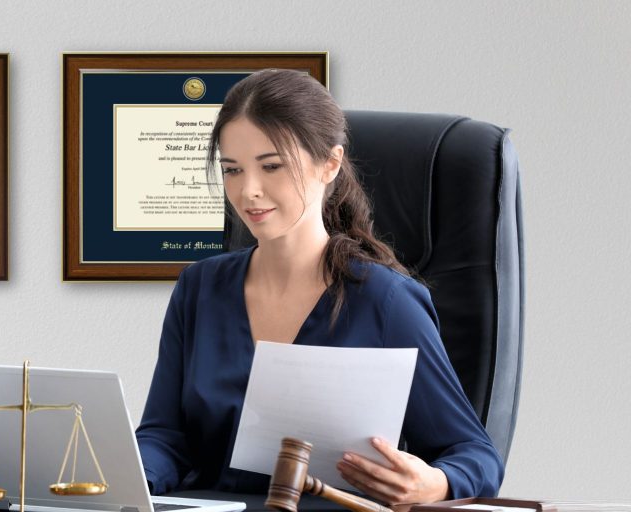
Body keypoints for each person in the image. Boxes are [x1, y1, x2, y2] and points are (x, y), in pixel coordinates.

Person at [134, 69, 504, 505]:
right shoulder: (200, 287)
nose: (248, 191)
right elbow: (165, 436)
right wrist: (124, 473)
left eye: (271, 166)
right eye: (233, 170)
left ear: (329, 164)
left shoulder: (385, 301)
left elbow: (475, 454)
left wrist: (437, 483)